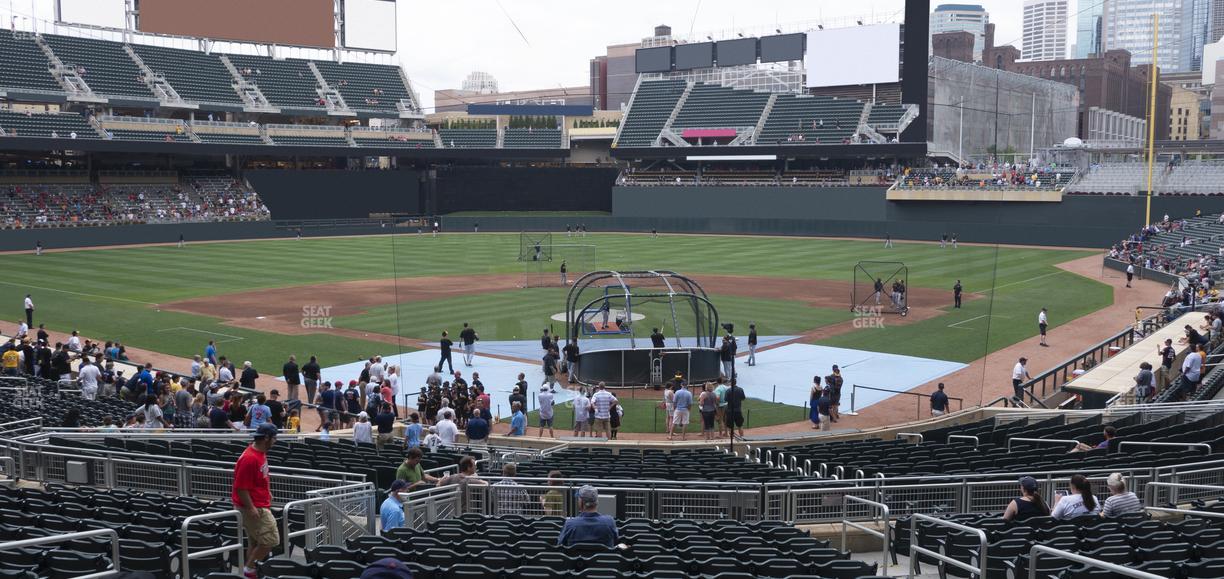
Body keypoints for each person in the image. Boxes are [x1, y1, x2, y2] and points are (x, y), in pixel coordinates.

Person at [233, 423, 279, 578]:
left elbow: (259, 478)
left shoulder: (260, 452)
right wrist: (251, 507)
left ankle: (250, 572)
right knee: (271, 540)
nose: (275, 441)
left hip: (258, 503)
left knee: (254, 542)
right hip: (254, 507)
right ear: (266, 438)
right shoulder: (250, 458)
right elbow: (240, 487)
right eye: (274, 438)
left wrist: (268, 492)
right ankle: (249, 570)